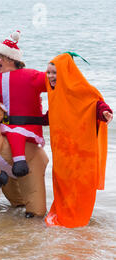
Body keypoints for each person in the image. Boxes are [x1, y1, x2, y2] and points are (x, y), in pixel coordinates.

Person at [44, 52, 113, 228]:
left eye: (55, 72)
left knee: (80, 187)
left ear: (65, 73)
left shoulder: (80, 90)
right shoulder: (54, 93)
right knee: (63, 185)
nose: (51, 76)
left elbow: (95, 103)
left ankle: (77, 220)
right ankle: (65, 215)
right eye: (49, 72)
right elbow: (50, 117)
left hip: (81, 152)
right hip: (61, 152)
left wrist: (105, 113)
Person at [0, 31, 47, 177]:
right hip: (2, 129)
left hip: (26, 128)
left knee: (16, 133)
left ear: (11, 59)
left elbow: (55, 84)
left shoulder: (32, 76)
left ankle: (20, 160)